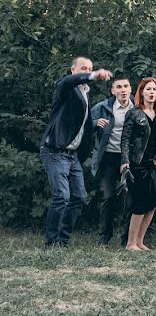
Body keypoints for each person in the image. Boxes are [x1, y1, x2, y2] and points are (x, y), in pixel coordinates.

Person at [40, 57, 112, 247]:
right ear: (73, 70)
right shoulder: (66, 87)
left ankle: (63, 240)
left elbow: (81, 123)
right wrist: (94, 75)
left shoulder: (85, 93)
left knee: (78, 197)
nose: (86, 71)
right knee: (61, 196)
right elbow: (67, 81)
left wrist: (94, 125)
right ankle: (51, 241)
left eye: (90, 68)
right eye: (83, 69)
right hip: (55, 151)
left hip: (72, 157)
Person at [120, 77, 156, 252]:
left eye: (154, 90)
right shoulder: (134, 113)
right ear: (141, 93)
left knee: (153, 203)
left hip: (152, 165)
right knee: (139, 204)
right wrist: (124, 162)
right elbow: (125, 139)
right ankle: (130, 243)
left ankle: (139, 241)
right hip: (136, 164)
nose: (151, 92)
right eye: (148, 89)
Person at [90, 73, 133, 246]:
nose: (123, 90)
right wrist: (94, 124)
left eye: (126, 86)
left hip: (129, 160)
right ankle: (104, 237)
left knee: (130, 199)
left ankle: (126, 238)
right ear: (113, 90)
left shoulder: (138, 107)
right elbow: (84, 123)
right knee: (108, 197)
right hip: (108, 157)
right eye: (119, 87)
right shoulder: (102, 107)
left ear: (131, 89)